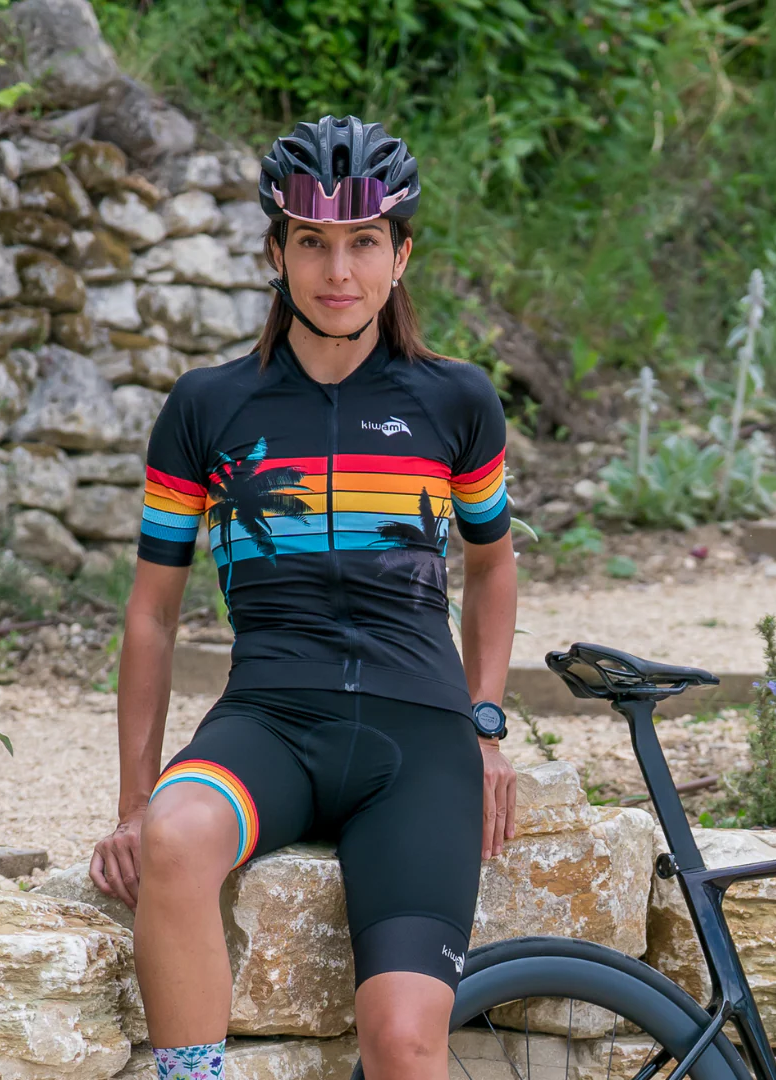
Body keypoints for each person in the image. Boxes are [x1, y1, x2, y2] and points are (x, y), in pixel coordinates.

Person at [90, 114, 518, 1080]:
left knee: (403, 1039)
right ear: (275, 253)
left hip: (418, 740)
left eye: (364, 242)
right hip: (271, 721)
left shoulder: (456, 401)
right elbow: (152, 612)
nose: (338, 271)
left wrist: (486, 723)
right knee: (175, 836)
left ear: (401, 256)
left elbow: (492, 566)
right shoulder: (207, 407)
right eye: (313, 242)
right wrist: (134, 802)